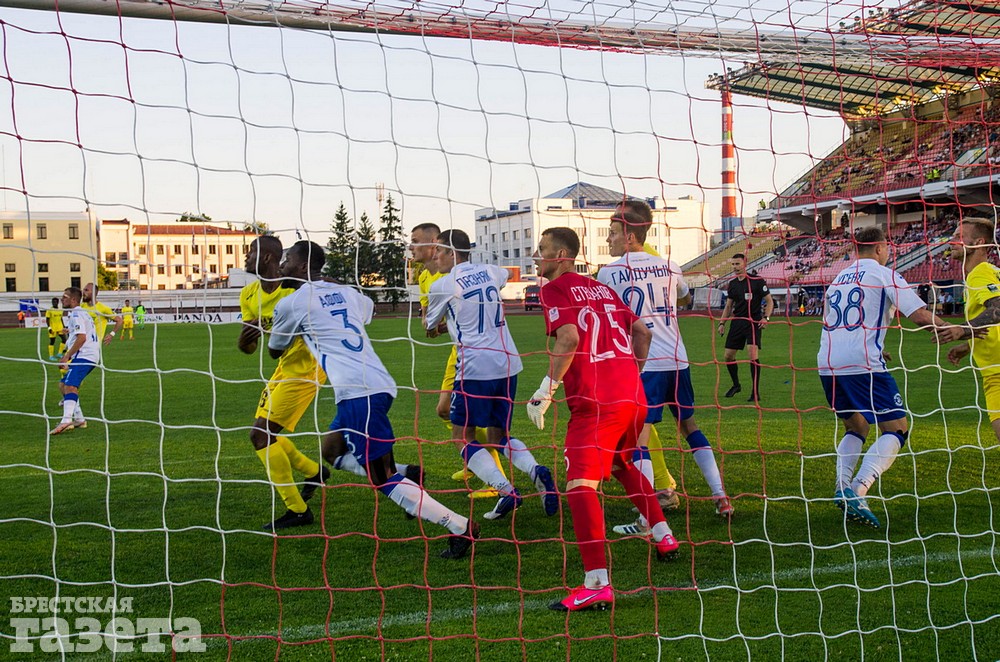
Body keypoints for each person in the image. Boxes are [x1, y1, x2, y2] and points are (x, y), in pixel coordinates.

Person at [269, 241, 478, 559]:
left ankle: (461, 527)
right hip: (373, 385)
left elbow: (275, 349)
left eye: (286, 260)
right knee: (332, 450)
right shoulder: (348, 293)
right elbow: (367, 311)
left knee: (383, 478)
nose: (281, 265)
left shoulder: (292, 304)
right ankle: (406, 473)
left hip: (359, 392)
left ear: (300, 267)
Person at [527, 227, 679, 613]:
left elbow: (569, 339)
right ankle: (663, 535)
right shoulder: (602, 288)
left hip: (596, 403)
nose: (535, 256)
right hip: (632, 395)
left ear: (561, 255)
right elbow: (641, 332)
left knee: (579, 485)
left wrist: (545, 391)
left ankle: (596, 582)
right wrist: (629, 371)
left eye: (541, 249)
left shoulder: (554, 289)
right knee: (624, 463)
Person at [820, 227, 968, 529]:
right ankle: (858, 490)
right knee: (897, 429)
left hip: (828, 361)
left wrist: (878, 345)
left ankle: (841, 486)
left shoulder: (837, 279)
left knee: (856, 424)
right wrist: (951, 330)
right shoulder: (883, 273)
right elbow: (918, 314)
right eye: (886, 248)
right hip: (862, 363)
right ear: (879, 249)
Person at [598, 206, 733, 523]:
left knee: (638, 435)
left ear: (630, 236)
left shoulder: (609, 272)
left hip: (645, 364)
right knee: (690, 427)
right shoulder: (670, 266)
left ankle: (649, 517)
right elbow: (686, 298)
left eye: (613, 232)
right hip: (677, 358)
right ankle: (721, 496)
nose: (609, 239)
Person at [425, 229, 558, 520]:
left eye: (438, 252)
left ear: (451, 253)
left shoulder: (444, 285)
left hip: (474, 368)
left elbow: (429, 326)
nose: (435, 257)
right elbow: (503, 275)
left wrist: (440, 322)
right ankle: (536, 470)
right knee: (499, 434)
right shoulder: (491, 272)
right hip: (508, 363)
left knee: (462, 436)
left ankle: (506, 490)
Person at [409, 222, 507, 498]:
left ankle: (493, 479)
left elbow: (434, 322)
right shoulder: (424, 277)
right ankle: (476, 460)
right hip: (459, 349)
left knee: (469, 418)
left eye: (416, 241)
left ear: (434, 246)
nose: (411, 246)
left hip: (475, 354)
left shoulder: (453, 276)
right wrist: (435, 324)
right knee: (445, 411)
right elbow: (431, 326)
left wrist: (433, 324)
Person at [238, 236, 329, 531]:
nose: (245, 257)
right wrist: (244, 341)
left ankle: (298, 510)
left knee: (260, 435)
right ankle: (314, 472)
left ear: (266, 258)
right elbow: (249, 348)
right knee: (264, 433)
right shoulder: (249, 294)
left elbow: (326, 285)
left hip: (308, 369)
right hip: (283, 368)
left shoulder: (298, 288)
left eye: (250, 252)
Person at [942, 217, 1000, 441]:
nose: (952, 241)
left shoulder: (980, 273)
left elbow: (998, 308)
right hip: (992, 370)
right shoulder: (990, 272)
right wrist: (969, 345)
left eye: (959, 237)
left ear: (978, 242)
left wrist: (963, 330)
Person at [717, 254, 773, 401]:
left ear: (745, 264)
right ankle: (736, 385)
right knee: (728, 356)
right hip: (737, 322)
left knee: (752, 354)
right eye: (733, 264)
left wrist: (765, 317)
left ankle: (755, 392)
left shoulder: (757, 281)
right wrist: (722, 323)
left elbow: (769, 301)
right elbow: (729, 306)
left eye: (737, 264)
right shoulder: (733, 284)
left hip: (753, 322)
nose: (735, 267)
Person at [51, 287, 98, 434]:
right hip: (87, 355)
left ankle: (66, 420)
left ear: (73, 300)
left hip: (85, 355)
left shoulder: (77, 313)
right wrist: (69, 331)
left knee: (70, 386)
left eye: (64, 297)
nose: (62, 299)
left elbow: (82, 337)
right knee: (63, 385)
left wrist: (66, 356)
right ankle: (79, 419)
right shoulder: (79, 313)